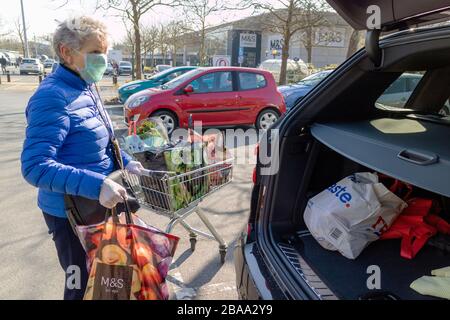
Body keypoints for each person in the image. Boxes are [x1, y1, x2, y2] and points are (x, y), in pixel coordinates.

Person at [20, 16, 144, 300]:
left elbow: (98, 142)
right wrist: (96, 185)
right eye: (95, 52)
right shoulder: (51, 97)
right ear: (66, 52)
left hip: (100, 207)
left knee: (109, 281)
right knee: (81, 285)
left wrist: (125, 160)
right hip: (71, 214)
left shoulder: (86, 86)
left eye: (105, 51)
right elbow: (35, 167)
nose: (103, 60)